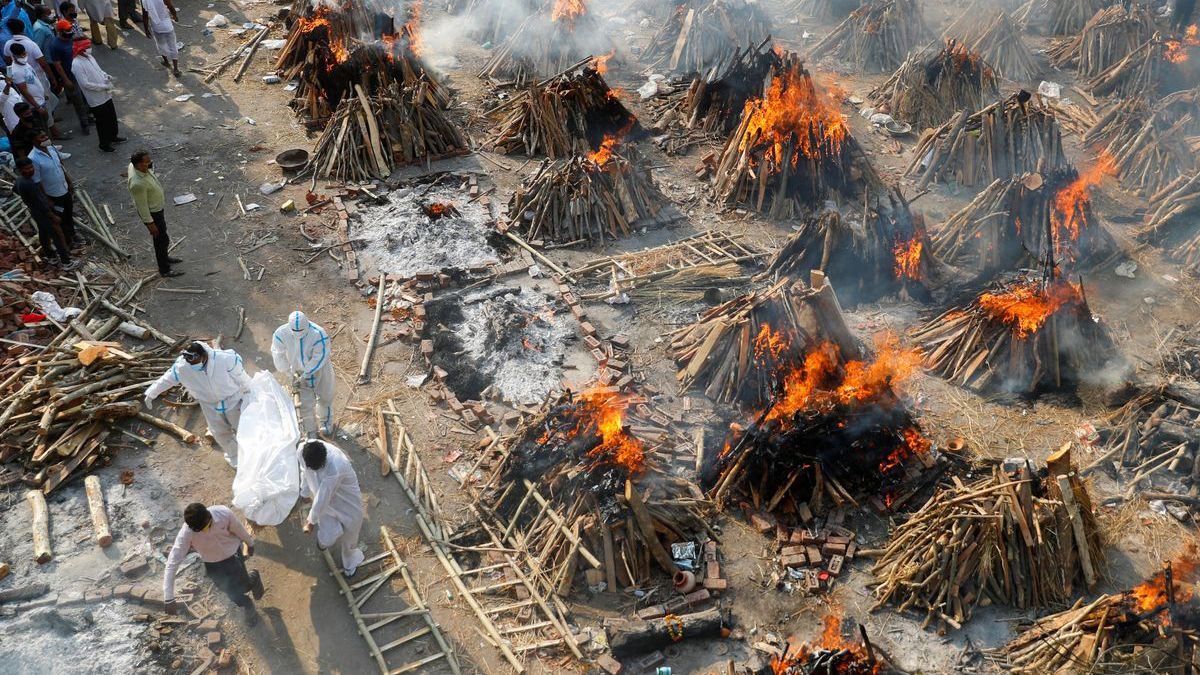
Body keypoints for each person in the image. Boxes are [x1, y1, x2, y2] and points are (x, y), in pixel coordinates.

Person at [145, 341, 251, 466]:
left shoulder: (224, 359)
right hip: (209, 404)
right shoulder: (182, 366)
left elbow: (241, 377)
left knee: (243, 427)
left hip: (232, 399)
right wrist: (151, 392)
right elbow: (167, 379)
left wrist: (249, 392)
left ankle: (252, 453)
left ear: (204, 355)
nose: (192, 364)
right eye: (189, 361)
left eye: (195, 361)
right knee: (220, 432)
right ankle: (235, 456)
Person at [163, 503, 264, 626]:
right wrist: (168, 597)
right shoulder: (187, 533)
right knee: (230, 592)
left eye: (206, 526)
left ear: (208, 516)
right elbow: (172, 562)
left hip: (233, 556)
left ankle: (252, 580)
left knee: (243, 586)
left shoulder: (223, 513)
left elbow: (238, 528)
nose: (205, 531)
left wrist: (250, 543)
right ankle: (247, 604)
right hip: (213, 564)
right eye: (199, 530)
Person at [301, 440, 365, 577]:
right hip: (322, 499)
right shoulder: (303, 451)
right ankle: (323, 542)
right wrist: (304, 491)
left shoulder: (335, 466)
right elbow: (304, 472)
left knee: (352, 530)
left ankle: (350, 561)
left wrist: (311, 521)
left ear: (324, 461)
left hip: (346, 498)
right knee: (328, 534)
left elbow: (324, 496)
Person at [271, 311, 334, 434]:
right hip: (297, 372)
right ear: (290, 327)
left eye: (302, 331)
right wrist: (288, 372)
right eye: (295, 331)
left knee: (325, 397)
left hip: (320, 369)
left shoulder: (318, 334)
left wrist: (307, 373)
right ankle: (311, 431)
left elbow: (319, 357)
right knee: (305, 405)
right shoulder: (280, 334)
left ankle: (325, 423)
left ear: (307, 325)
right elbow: (278, 354)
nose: (299, 334)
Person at [14, 156, 76, 269]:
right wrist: (53, 216)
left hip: (35, 212)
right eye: (26, 169)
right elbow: (41, 203)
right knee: (57, 235)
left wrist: (28, 200)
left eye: (31, 167)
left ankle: (50, 255)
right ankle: (66, 262)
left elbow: (15, 190)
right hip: (43, 214)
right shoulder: (29, 184)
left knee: (43, 233)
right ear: (20, 170)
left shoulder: (20, 180)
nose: (30, 170)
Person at [128, 150, 181, 277]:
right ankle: (164, 270)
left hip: (158, 209)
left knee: (163, 238)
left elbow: (130, 169)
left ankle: (165, 257)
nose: (150, 164)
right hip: (153, 214)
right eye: (147, 163)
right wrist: (150, 224)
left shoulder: (134, 167)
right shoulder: (137, 184)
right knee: (160, 241)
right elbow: (141, 206)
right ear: (139, 165)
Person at [70, 39, 121, 150]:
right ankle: (104, 144)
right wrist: (103, 87)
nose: (89, 48)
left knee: (111, 117)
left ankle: (113, 136)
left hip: (105, 94)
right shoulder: (77, 64)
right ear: (80, 49)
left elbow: (99, 70)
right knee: (102, 122)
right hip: (96, 98)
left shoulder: (90, 57)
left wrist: (106, 76)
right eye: (87, 47)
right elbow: (85, 84)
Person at [28, 129, 76, 246]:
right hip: (53, 194)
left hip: (64, 189)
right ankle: (68, 240)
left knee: (69, 213)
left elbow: (61, 167)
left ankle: (73, 234)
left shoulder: (52, 149)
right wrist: (47, 200)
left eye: (45, 136)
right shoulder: (33, 158)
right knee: (61, 218)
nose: (45, 139)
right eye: (41, 138)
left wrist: (69, 182)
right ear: (34, 141)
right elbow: (37, 182)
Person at [7, 42, 60, 138]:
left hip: (41, 100)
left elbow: (34, 80)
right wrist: (37, 107)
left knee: (45, 126)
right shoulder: (16, 71)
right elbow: (24, 91)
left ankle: (51, 147)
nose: (24, 56)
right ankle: (49, 150)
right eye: (21, 55)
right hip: (35, 105)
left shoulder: (25, 64)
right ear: (14, 56)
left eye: (24, 53)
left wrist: (43, 93)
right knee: (41, 131)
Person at [47, 19, 88, 135]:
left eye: (70, 29)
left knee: (86, 97)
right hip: (70, 76)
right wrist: (66, 80)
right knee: (78, 100)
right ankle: (84, 124)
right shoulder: (55, 45)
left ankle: (89, 117)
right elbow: (57, 64)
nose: (70, 31)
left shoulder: (71, 38)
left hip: (81, 72)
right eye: (67, 30)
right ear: (60, 31)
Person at [140, 0, 178, 77]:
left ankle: (166, 62)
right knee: (173, 46)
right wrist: (175, 16)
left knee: (161, 45)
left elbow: (145, 15)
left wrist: (146, 29)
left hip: (156, 27)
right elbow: (170, 6)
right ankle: (176, 69)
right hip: (167, 25)